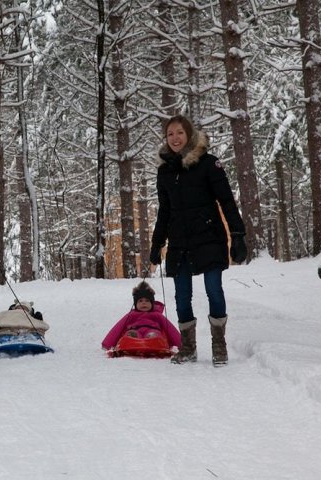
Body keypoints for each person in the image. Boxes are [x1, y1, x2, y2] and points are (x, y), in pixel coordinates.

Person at [149, 115, 247, 367]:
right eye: (170, 134)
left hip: (209, 237)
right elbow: (165, 211)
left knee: (214, 288)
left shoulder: (208, 164)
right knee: (182, 296)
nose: (175, 138)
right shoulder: (165, 172)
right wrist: (156, 243)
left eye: (179, 132)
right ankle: (188, 347)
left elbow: (227, 201)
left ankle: (218, 344)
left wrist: (238, 235)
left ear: (189, 134)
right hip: (180, 242)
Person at [101, 281, 181, 351]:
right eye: (140, 301)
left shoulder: (157, 315)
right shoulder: (131, 314)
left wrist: (180, 343)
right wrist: (107, 344)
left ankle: (152, 340)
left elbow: (170, 328)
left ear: (152, 303)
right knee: (131, 333)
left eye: (147, 301)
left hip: (152, 330)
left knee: (154, 334)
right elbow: (118, 327)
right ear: (135, 304)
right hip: (135, 330)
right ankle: (131, 340)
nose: (144, 303)